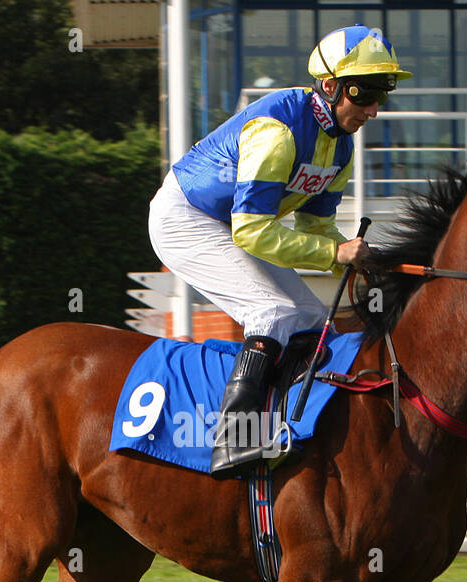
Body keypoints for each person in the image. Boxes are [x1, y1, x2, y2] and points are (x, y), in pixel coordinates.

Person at [148, 24, 410, 477]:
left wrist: (355, 254)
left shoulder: (341, 147)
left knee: (309, 318)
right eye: (363, 93)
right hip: (186, 217)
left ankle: (286, 423)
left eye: (380, 95)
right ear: (329, 86)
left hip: (232, 223)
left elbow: (315, 226)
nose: (372, 108)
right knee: (272, 312)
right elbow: (253, 233)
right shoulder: (278, 131)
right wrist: (335, 255)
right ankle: (232, 440)